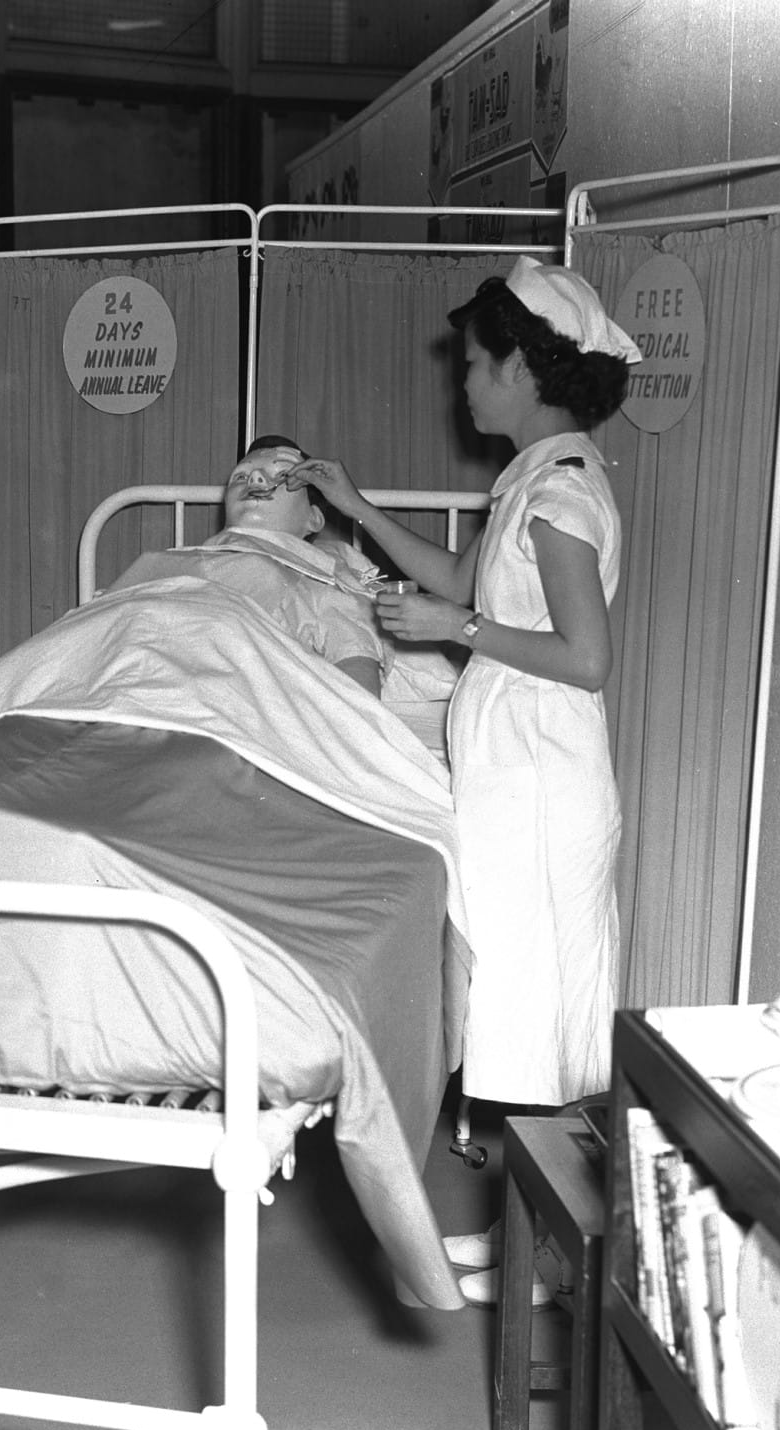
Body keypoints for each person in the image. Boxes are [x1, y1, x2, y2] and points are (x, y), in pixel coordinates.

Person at [291, 256, 639, 1304]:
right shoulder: (532, 479)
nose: (463, 384)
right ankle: (527, 1234)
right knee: (515, 1013)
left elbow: (584, 656)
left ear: (525, 373)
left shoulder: (561, 495)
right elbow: (456, 580)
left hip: (542, 783)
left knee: (537, 1021)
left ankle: (547, 1261)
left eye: (477, 365)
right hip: (515, 773)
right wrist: (353, 509)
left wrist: (459, 632)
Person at [108, 435, 387, 696]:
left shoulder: (323, 587)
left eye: (282, 475)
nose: (254, 478)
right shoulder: (162, 564)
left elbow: (358, 693)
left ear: (314, 519)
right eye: (240, 476)